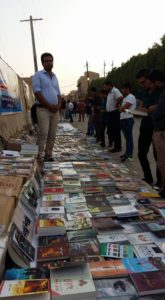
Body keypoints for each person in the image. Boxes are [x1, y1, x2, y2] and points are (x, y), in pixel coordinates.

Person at [32, 52, 61, 162]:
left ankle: (48, 155)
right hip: (43, 109)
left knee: (52, 134)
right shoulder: (38, 75)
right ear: (43, 63)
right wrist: (49, 106)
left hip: (55, 110)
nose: (49, 63)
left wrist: (58, 105)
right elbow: (37, 93)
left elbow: (58, 93)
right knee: (43, 133)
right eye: (46, 61)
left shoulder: (54, 77)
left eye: (50, 60)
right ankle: (39, 156)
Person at [136, 69, 161, 186]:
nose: (142, 85)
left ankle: (160, 182)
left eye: (143, 82)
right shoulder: (143, 93)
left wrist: (150, 109)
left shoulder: (160, 91)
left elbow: (159, 107)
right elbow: (141, 107)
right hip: (145, 126)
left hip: (157, 127)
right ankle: (148, 177)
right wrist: (137, 111)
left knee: (158, 156)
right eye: (140, 83)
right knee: (141, 153)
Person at [147, 69, 165, 197]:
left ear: (158, 82)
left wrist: (154, 109)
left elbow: (159, 111)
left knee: (162, 163)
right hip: (159, 130)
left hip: (162, 131)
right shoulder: (160, 92)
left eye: (152, 83)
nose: (151, 86)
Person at [104, 80, 123, 152]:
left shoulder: (115, 90)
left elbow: (121, 97)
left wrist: (117, 104)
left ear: (110, 85)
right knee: (112, 131)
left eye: (106, 87)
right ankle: (115, 146)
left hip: (114, 113)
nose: (105, 89)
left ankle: (118, 147)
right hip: (110, 114)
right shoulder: (109, 92)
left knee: (116, 130)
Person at [119, 83, 136, 161]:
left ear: (127, 89)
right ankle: (127, 153)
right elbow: (121, 108)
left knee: (129, 138)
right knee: (126, 138)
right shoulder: (125, 98)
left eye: (123, 89)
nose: (122, 90)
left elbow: (124, 108)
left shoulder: (131, 97)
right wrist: (121, 108)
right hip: (123, 119)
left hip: (128, 119)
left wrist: (121, 108)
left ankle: (130, 155)